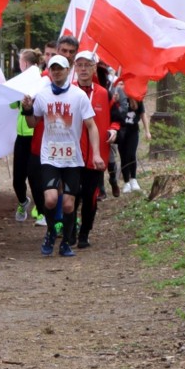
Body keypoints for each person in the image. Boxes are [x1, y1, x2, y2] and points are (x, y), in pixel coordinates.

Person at [22, 54, 104, 257]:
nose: (56, 72)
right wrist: (27, 110)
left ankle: (66, 242)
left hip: (72, 158)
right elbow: (33, 124)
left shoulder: (78, 96)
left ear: (68, 71)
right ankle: (51, 231)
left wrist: (96, 154)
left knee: (68, 204)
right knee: (50, 200)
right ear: (49, 71)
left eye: (60, 68)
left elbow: (91, 126)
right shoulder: (42, 95)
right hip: (49, 155)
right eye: (53, 68)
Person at [70, 51, 119, 248]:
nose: (83, 69)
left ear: (93, 68)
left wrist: (114, 129)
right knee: (72, 195)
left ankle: (84, 233)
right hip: (71, 155)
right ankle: (70, 231)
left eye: (87, 65)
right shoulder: (68, 91)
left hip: (96, 156)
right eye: (79, 65)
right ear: (74, 68)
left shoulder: (104, 94)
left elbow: (117, 118)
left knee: (91, 196)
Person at [12, 48, 43, 221]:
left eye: (20, 61)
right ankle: (23, 202)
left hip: (35, 135)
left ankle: (41, 211)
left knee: (34, 176)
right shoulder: (19, 82)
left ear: (24, 63)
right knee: (17, 180)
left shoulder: (41, 81)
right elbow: (12, 106)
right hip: (21, 137)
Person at [119, 86, 151, 193]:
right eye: (121, 83)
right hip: (121, 131)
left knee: (131, 154)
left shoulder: (137, 98)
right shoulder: (117, 97)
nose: (123, 86)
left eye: (125, 83)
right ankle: (126, 182)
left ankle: (133, 179)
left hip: (133, 131)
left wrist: (147, 131)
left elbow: (143, 115)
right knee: (123, 156)